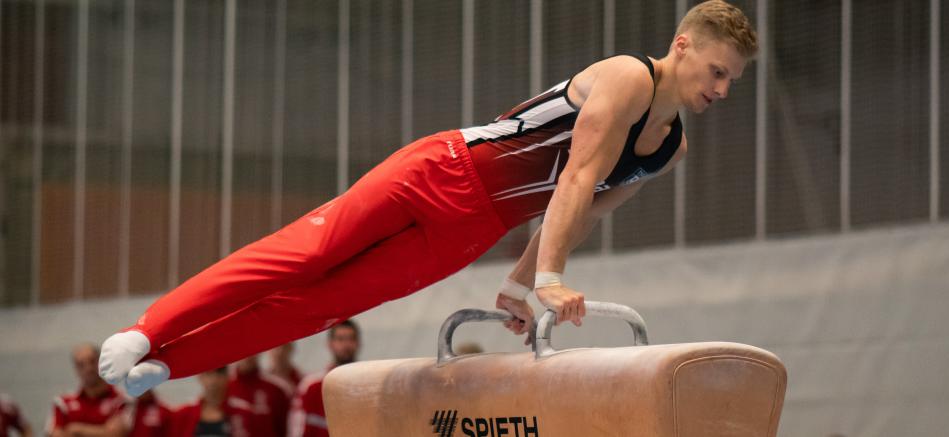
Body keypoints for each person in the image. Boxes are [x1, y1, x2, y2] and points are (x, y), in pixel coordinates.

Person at [98, 0, 757, 397]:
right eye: (718, 71)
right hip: (441, 170)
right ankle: (148, 329)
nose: (722, 90)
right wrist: (552, 280)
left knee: (327, 302)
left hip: (470, 230)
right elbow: (579, 173)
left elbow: (579, 211)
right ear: (683, 44)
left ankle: (168, 363)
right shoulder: (625, 78)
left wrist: (521, 285)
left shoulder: (671, 149)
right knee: (308, 253)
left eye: (733, 81)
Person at [287, 320, 360, 437]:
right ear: (330, 344)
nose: (346, 345)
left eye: (351, 339)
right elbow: (296, 430)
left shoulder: (368, 386)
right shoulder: (311, 387)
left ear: (358, 343)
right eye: (340, 339)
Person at [46, 344, 128, 437]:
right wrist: (102, 431)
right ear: (76, 369)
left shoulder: (121, 400)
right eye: (81, 365)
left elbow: (116, 434)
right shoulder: (63, 403)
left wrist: (76, 430)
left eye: (92, 361)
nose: (88, 368)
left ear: (102, 363)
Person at [170, 367, 254, 437]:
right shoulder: (183, 415)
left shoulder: (244, 413)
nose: (214, 379)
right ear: (200, 376)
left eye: (219, 372)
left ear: (228, 376)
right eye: (208, 372)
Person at [227, 354, 293, 437]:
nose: (247, 356)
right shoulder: (224, 388)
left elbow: (290, 428)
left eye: (251, 350)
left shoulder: (277, 388)